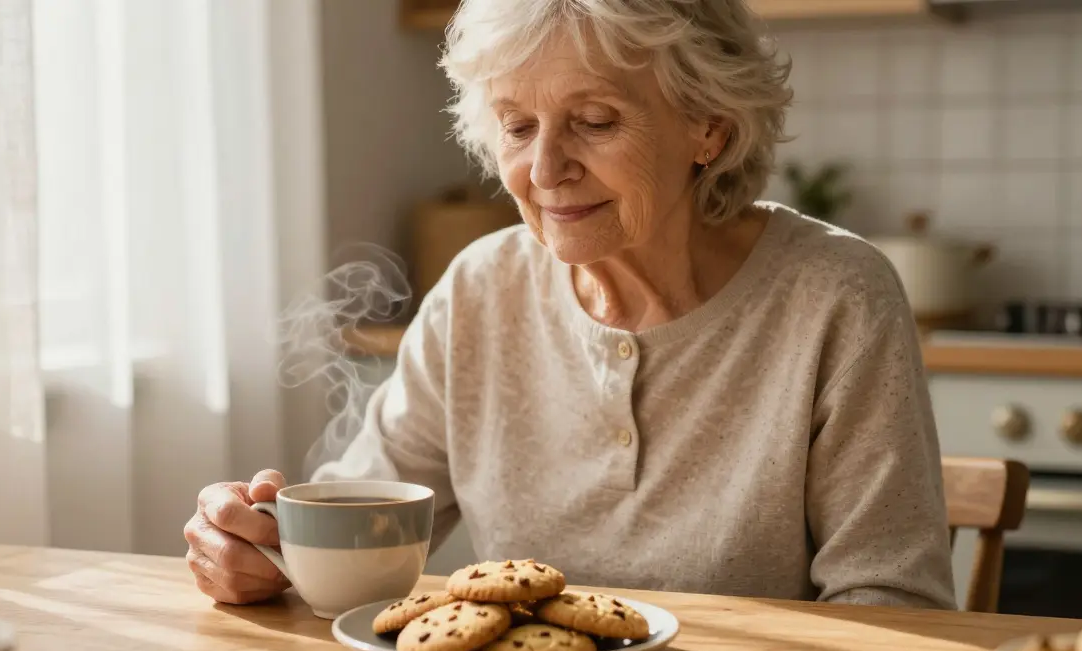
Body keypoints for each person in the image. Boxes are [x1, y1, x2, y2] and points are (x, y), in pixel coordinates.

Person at [184, 0, 957, 610]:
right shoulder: (480, 291)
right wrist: (263, 546)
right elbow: (359, 534)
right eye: (517, 127)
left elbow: (892, 603)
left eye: (595, 122)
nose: (546, 169)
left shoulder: (837, 297)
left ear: (708, 130)